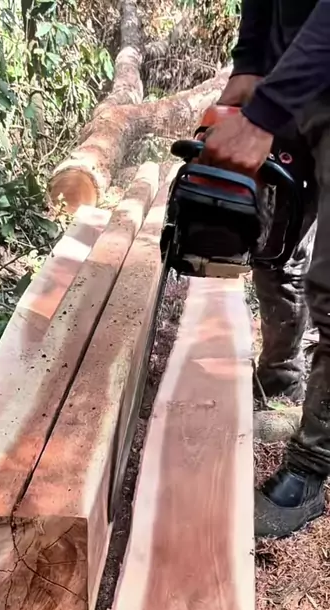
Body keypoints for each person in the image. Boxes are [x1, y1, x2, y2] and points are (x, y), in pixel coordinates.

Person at [201, 0, 330, 538]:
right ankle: (282, 374)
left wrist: (264, 113)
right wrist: (249, 64)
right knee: (272, 250)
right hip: (290, 84)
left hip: (308, 82)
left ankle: (311, 466)